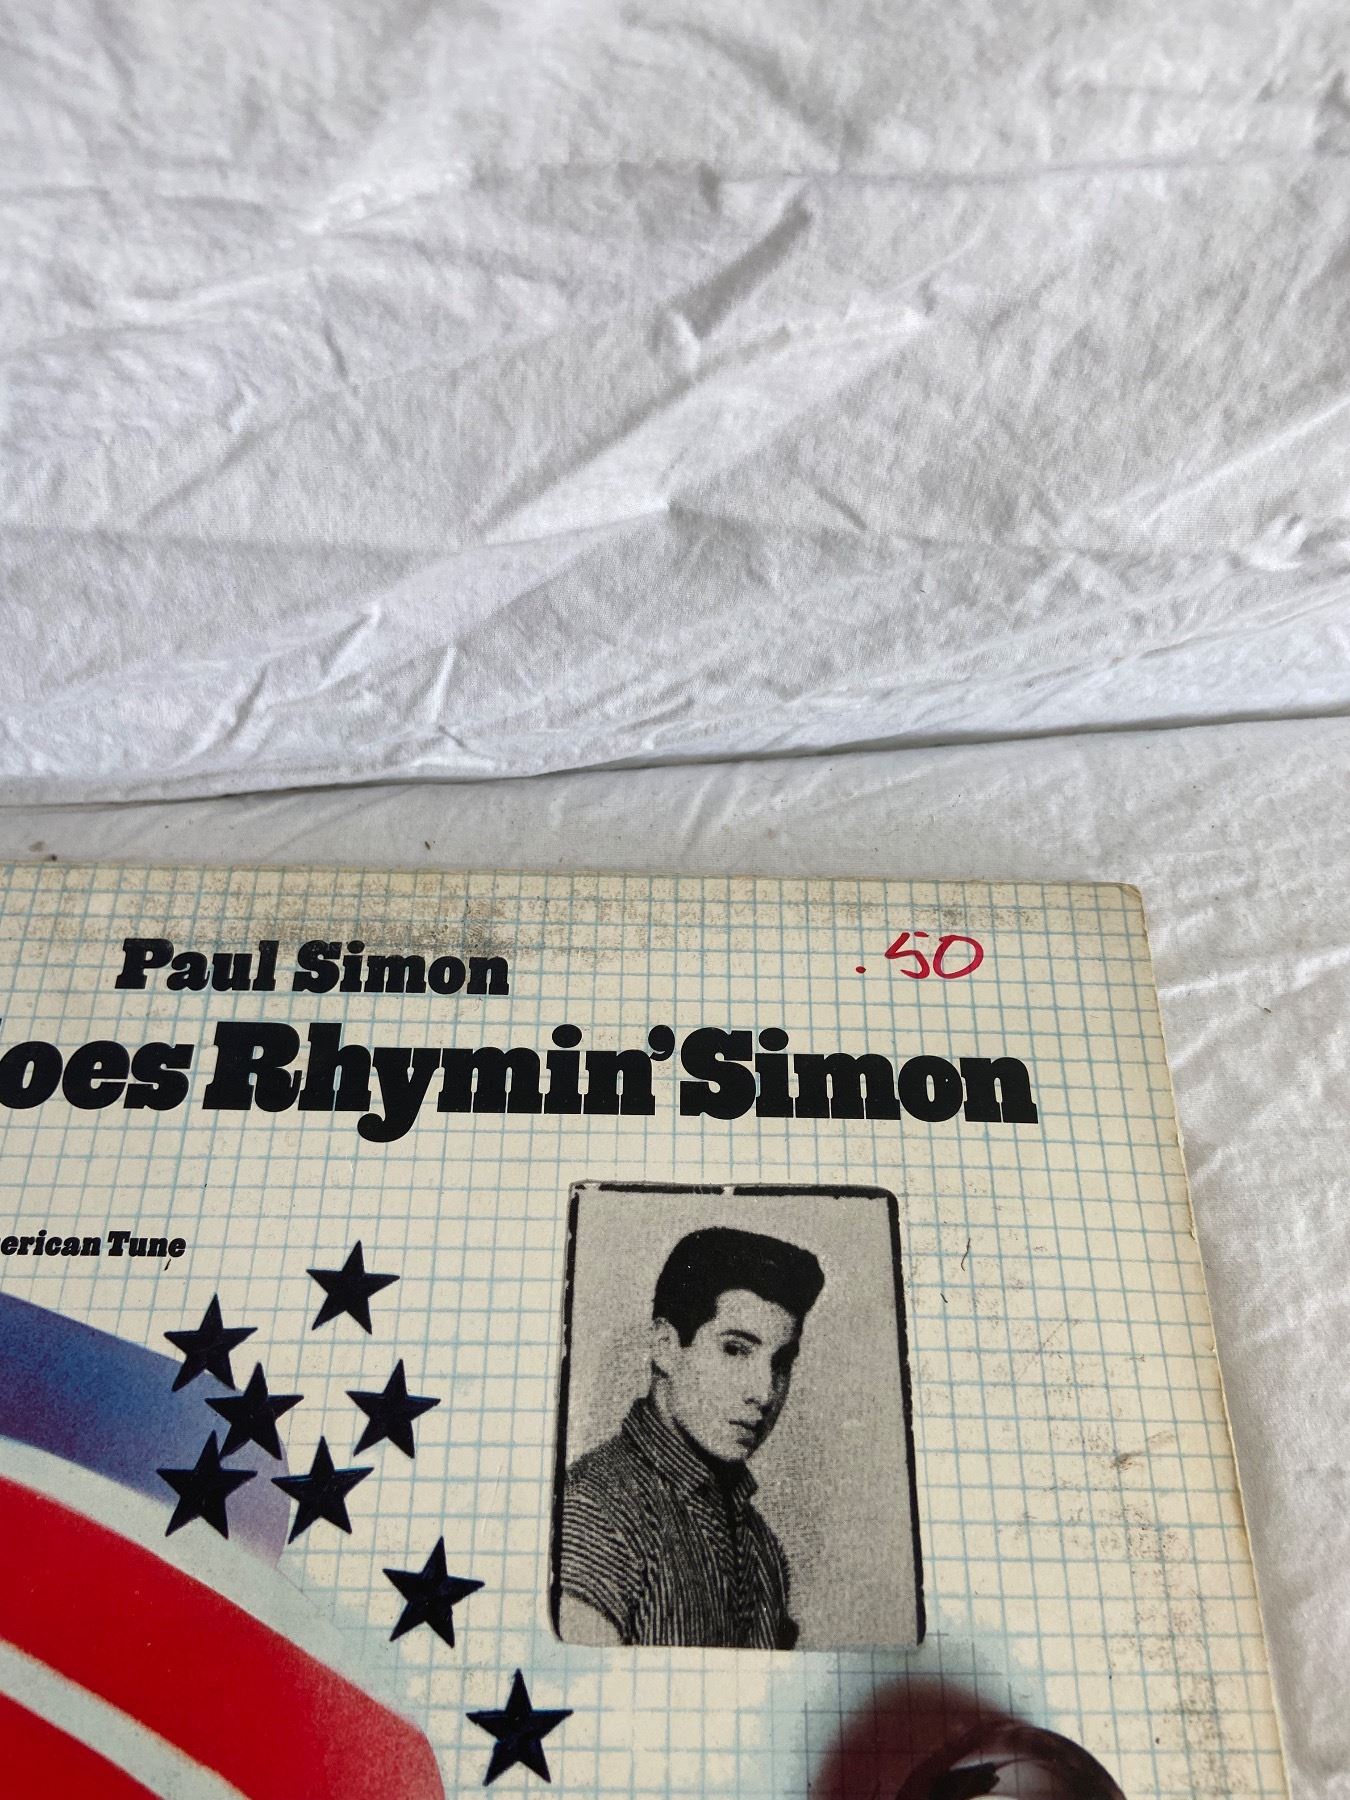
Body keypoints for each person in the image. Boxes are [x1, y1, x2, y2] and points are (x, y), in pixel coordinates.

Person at [555, 1224, 824, 1649]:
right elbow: (579, 1681)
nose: (764, 1391)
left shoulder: (761, 1545)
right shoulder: (593, 1511)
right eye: (735, 1350)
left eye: (780, 1363)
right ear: (665, 1346)